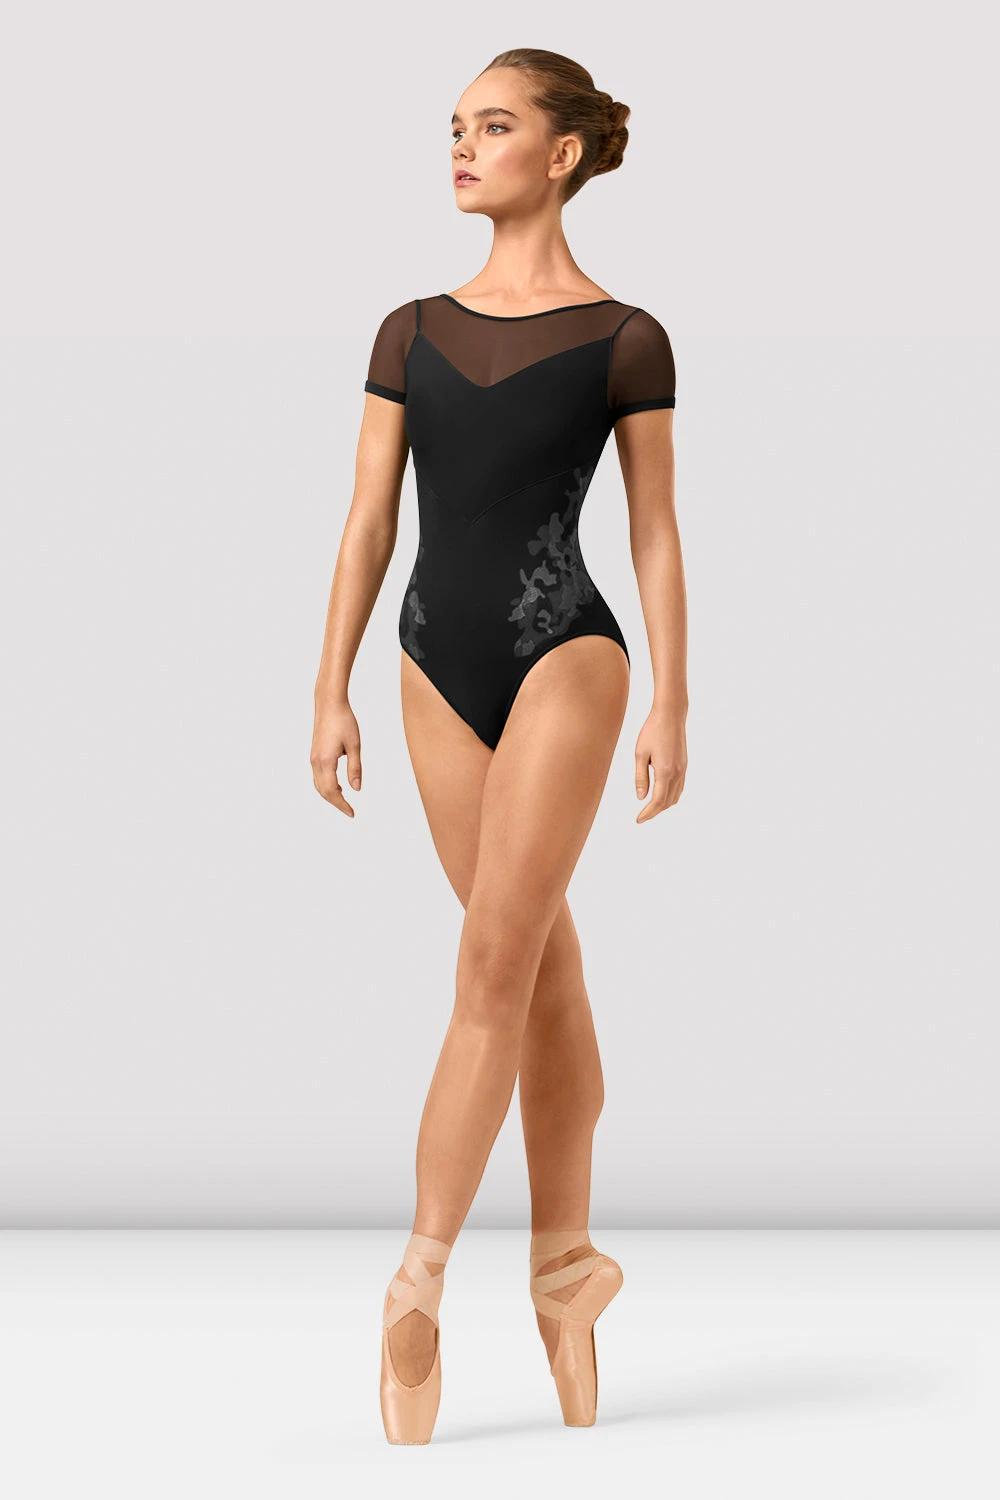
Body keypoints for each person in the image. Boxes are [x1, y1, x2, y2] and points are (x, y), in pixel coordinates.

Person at [311, 47, 688, 1444]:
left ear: (564, 153)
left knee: (489, 964)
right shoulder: (407, 330)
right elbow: (368, 521)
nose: (463, 147)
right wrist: (329, 686)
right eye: (455, 127)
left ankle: (416, 1282)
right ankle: (569, 1268)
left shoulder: (626, 337)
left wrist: (673, 700)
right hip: (430, 664)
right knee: (537, 962)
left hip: (566, 654)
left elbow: (655, 531)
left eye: (494, 125)